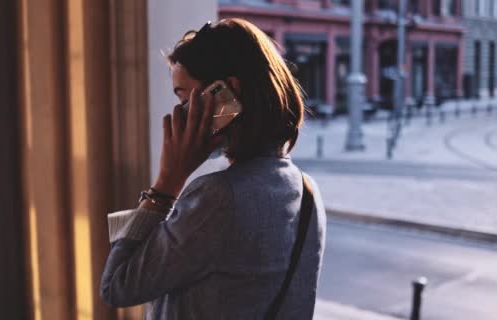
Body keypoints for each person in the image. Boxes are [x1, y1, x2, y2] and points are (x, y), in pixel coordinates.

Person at [99, 18, 326, 320]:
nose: (179, 114)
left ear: (227, 93)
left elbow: (115, 286)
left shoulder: (217, 197)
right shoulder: (308, 192)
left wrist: (166, 184)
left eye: (183, 98)